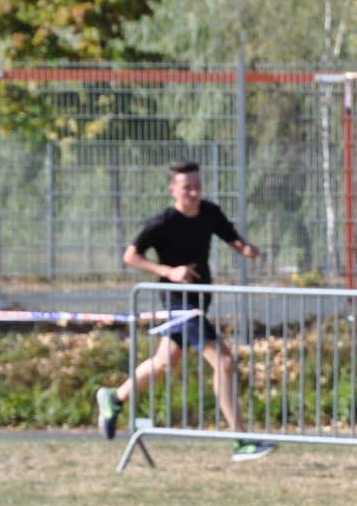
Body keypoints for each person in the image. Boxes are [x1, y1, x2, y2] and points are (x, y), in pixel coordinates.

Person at [94, 160, 276, 462]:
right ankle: (241, 440)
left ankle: (115, 397)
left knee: (165, 364)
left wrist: (247, 249)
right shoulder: (162, 222)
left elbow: (231, 237)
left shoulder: (209, 212)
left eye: (197, 186)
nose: (193, 192)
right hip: (180, 304)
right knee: (225, 361)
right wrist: (169, 271)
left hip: (199, 300)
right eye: (187, 187)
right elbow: (131, 256)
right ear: (173, 190)